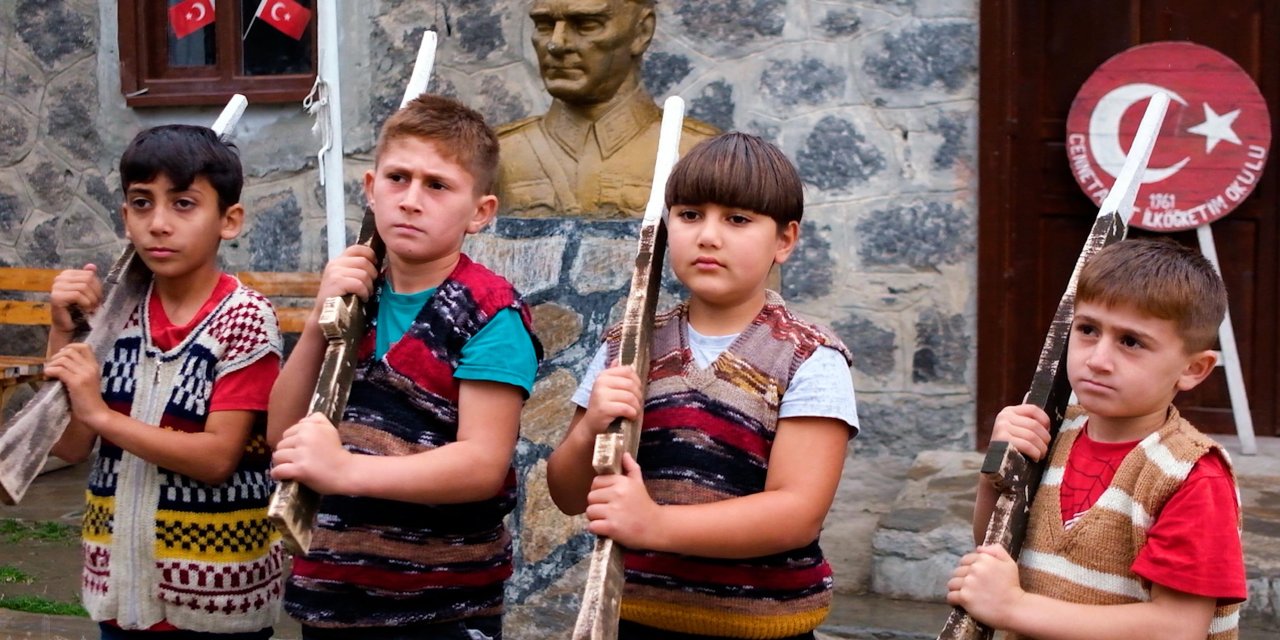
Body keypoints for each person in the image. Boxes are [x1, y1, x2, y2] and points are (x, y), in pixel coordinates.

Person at [545, 132, 860, 639]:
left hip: (761, 626)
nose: (709, 236)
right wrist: (590, 432)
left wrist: (654, 526)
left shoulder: (809, 356)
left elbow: (796, 512)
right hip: (635, 618)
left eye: (737, 219)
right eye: (690, 214)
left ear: (784, 240)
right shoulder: (628, 346)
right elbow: (567, 493)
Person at [267, 94, 543, 640]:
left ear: (480, 212)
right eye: (398, 178)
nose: (411, 200)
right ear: (371, 190)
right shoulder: (354, 299)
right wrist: (323, 318)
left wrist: (345, 472)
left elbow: (481, 465)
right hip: (333, 599)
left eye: (437, 185)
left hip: (441, 606)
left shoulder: (490, 313)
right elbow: (282, 430)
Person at [45, 124, 284, 639]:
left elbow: (217, 458)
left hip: (215, 602)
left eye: (183, 204)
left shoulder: (243, 320)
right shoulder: (113, 316)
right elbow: (68, 444)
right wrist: (63, 332)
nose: (158, 224)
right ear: (124, 215)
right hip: (119, 593)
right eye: (141, 203)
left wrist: (102, 415)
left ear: (230, 220)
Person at [946, 238, 1246, 640]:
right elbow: (997, 538)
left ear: (1194, 368)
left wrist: (1013, 607)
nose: (1098, 359)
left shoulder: (1191, 476)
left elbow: (1175, 629)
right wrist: (996, 473)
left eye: (1131, 341)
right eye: (1088, 329)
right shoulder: (1052, 432)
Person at [496, 0, 718, 218]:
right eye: (544, 25)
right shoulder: (497, 154)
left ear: (642, 31)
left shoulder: (700, 154)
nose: (556, 44)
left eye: (587, 25)